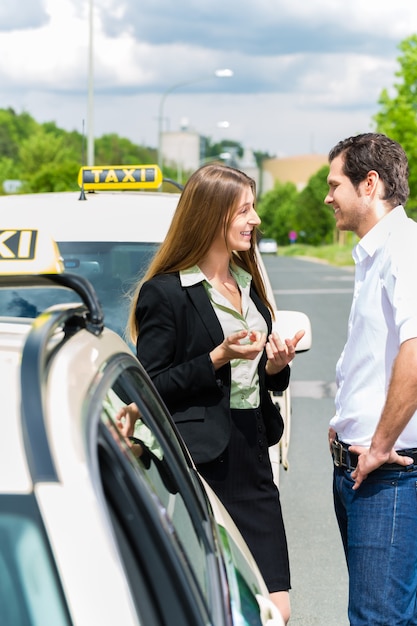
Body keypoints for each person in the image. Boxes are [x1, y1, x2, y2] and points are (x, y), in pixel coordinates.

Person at [126, 162, 305, 623]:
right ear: (212, 216)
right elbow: (152, 385)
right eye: (245, 210)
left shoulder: (249, 286)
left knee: (276, 609)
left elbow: (263, 381)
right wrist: (216, 358)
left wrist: (275, 367)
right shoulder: (165, 294)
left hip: (251, 452)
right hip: (197, 462)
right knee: (212, 606)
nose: (256, 220)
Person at [325, 132, 417, 626]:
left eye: (334, 183)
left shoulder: (405, 248)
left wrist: (379, 443)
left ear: (370, 184)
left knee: (378, 619)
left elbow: (416, 350)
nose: (327, 196)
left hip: (391, 474)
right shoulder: (375, 254)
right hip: (368, 471)